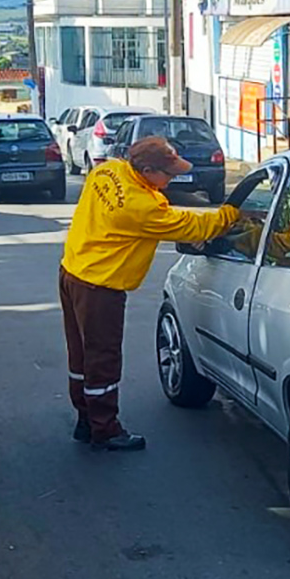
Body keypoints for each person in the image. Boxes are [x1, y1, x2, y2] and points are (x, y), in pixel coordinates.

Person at [60, 136, 241, 451]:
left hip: (72, 272)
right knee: (103, 359)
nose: (171, 180)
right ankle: (106, 430)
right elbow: (190, 226)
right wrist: (230, 215)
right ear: (145, 169)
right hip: (100, 288)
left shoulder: (106, 171)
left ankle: (86, 420)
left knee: (81, 356)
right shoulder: (140, 207)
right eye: (168, 175)